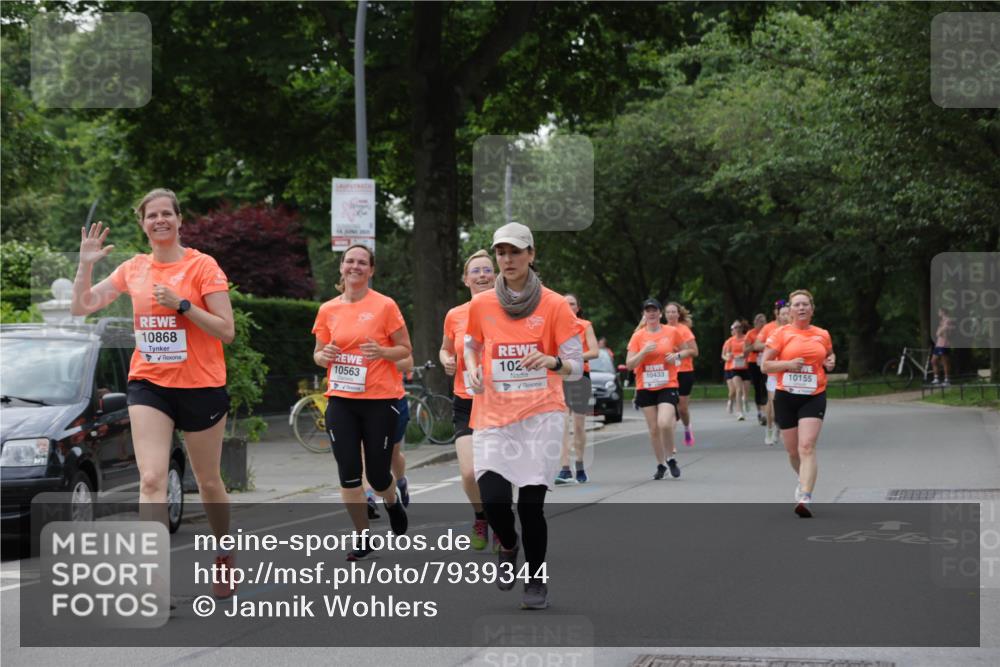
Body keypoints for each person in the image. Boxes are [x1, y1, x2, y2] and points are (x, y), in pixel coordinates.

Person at [71, 188, 237, 599]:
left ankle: (224, 552)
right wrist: (85, 266)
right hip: (150, 383)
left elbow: (226, 331)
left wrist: (183, 305)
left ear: (180, 220)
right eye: (152, 216)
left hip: (201, 385)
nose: (159, 220)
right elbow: (82, 305)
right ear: (142, 224)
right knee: (151, 479)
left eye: (167, 214)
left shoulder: (203, 266)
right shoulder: (134, 269)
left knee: (209, 481)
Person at [464, 222, 583, 611]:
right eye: (501, 252)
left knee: (531, 507)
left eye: (515, 251)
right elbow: (471, 345)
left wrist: (550, 360)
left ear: (531, 254)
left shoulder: (554, 305)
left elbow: (577, 365)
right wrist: (472, 367)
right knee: (495, 500)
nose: (507, 259)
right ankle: (508, 545)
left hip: (540, 415)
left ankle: (535, 580)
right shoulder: (482, 304)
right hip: (494, 415)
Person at [312, 244, 412, 560]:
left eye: (362, 262)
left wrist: (382, 352)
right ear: (341, 267)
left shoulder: (384, 306)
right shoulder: (328, 309)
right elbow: (318, 353)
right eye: (349, 261)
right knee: (349, 472)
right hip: (341, 399)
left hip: (380, 400)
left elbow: (406, 350)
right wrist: (322, 355)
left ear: (371, 270)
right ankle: (362, 536)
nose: (355, 266)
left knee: (380, 476)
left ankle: (392, 500)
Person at [761, 289, 835, 518]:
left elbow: (829, 356)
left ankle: (805, 496)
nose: (801, 308)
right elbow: (765, 365)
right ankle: (802, 478)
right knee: (792, 450)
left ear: (812, 310)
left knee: (807, 446)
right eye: (797, 305)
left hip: (814, 394)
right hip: (786, 396)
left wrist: (831, 362)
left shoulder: (822, 334)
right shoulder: (781, 334)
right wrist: (787, 364)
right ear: (790, 311)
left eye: (805, 304)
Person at [440, 249, 496, 550]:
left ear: (496, 276)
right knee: (469, 471)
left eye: (487, 270)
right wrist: (447, 359)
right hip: (466, 400)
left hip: (501, 403)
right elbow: (445, 348)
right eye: (475, 271)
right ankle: (481, 516)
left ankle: (501, 521)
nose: (482, 275)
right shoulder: (455, 315)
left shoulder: (507, 310)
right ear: (466, 279)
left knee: (499, 471)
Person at [627, 299, 693, 479]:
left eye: (654, 310)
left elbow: (689, 351)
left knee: (664, 422)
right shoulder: (638, 336)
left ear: (660, 313)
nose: (651, 313)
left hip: (667, 384)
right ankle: (660, 464)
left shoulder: (671, 332)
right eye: (648, 311)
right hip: (645, 386)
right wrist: (643, 352)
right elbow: (629, 363)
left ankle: (670, 458)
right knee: (654, 429)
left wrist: (677, 355)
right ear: (644, 314)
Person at [362, 354, 414, 520]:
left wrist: (382, 359)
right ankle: (369, 496)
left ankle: (400, 482)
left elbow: (407, 363)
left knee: (392, 453)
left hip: (392, 399)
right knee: (365, 451)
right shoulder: (348, 335)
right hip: (360, 401)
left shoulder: (389, 332)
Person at [555, 293, 598, 485]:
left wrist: (574, 358)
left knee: (579, 425)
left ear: (577, 307)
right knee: (562, 423)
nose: (568, 306)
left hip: (581, 376)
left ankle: (579, 465)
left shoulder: (585, 325)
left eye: (572, 303)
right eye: (565, 304)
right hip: (561, 376)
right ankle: (565, 469)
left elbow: (595, 352)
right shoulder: (554, 326)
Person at [755, 301, 791, 446]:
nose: (786, 316)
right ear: (777, 314)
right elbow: (756, 345)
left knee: (787, 403)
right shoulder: (769, 328)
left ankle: (781, 428)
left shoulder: (795, 329)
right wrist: (772, 345)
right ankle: (769, 429)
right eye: (783, 313)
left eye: (788, 313)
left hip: (790, 371)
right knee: (773, 402)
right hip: (773, 370)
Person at [664, 302, 698, 445]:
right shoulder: (661, 330)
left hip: (684, 371)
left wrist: (678, 354)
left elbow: (695, 352)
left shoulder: (684, 330)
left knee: (682, 408)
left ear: (678, 314)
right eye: (668, 312)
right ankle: (670, 444)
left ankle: (687, 428)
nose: (671, 315)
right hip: (667, 373)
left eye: (674, 312)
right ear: (664, 315)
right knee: (670, 408)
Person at [722, 319, 751, 421]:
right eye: (735, 327)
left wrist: (743, 354)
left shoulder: (746, 339)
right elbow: (724, 355)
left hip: (745, 367)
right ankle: (739, 411)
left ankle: (745, 400)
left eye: (739, 327)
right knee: (735, 390)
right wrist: (728, 357)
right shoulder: (729, 341)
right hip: (732, 368)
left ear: (742, 328)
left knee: (746, 390)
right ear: (733, 329)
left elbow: (748, 352)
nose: (737, 329)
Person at [746, 313, 768, 425]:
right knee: (757, 388)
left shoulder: (768, 332)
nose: (761, 323)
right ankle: (760, 411)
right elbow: (745, 350)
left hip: (766, 361)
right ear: (755, 322)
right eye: (759, 321)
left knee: (764, 385)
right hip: (753, 363)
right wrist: (754, 347)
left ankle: (765, 412)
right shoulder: (750, 334)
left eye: (763, 321)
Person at [931, 308, 953, 386]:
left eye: (939, 311)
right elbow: (938, 333)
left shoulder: (948, 320)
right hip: (939, 343)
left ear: (943, 312)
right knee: (933, 360)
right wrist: (940, 331)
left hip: (944, 344)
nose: (938, 313)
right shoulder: (942, 321)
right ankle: (936, 379)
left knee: (945, 362)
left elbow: (944, 332)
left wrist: (941, 331)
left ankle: (947, 380)